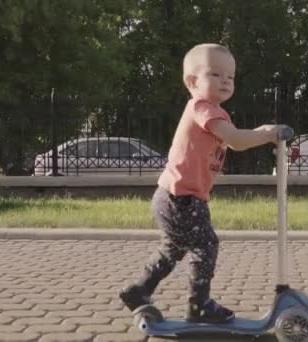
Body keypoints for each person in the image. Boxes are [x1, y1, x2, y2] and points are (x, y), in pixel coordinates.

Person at [119, 43, 281, 324]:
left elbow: (231, 140)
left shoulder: (214, 111)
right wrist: (266, 134)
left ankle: (138, 290)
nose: (226, 81)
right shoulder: (202, 108)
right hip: (182, 197)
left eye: (230, 76)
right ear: (193, 81)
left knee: (173, 249)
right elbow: (236, 140)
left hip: (175, 195)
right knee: (205, 245)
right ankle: (199, 306)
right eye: (216, 74)